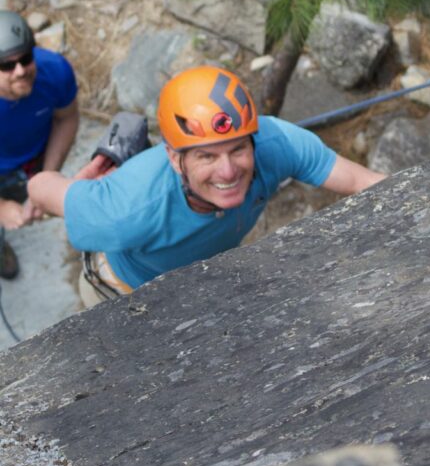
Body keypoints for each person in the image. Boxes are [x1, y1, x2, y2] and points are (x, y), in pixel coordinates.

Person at [28, 65, 385, 306]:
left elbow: (361, 180)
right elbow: (40, 186)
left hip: (200, 276)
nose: (228, 171)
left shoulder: (276, 143)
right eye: (206, 157)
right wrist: (77, 186)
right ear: (173, 158)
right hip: (122, 289)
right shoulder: (124, 211)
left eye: (237, 149)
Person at [0, 10, 79, 279]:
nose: (20, 71)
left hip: (33, 156)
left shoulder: (54, 71)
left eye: (25, 58)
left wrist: (47, 176)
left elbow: (66, 118)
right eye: (6, 66)